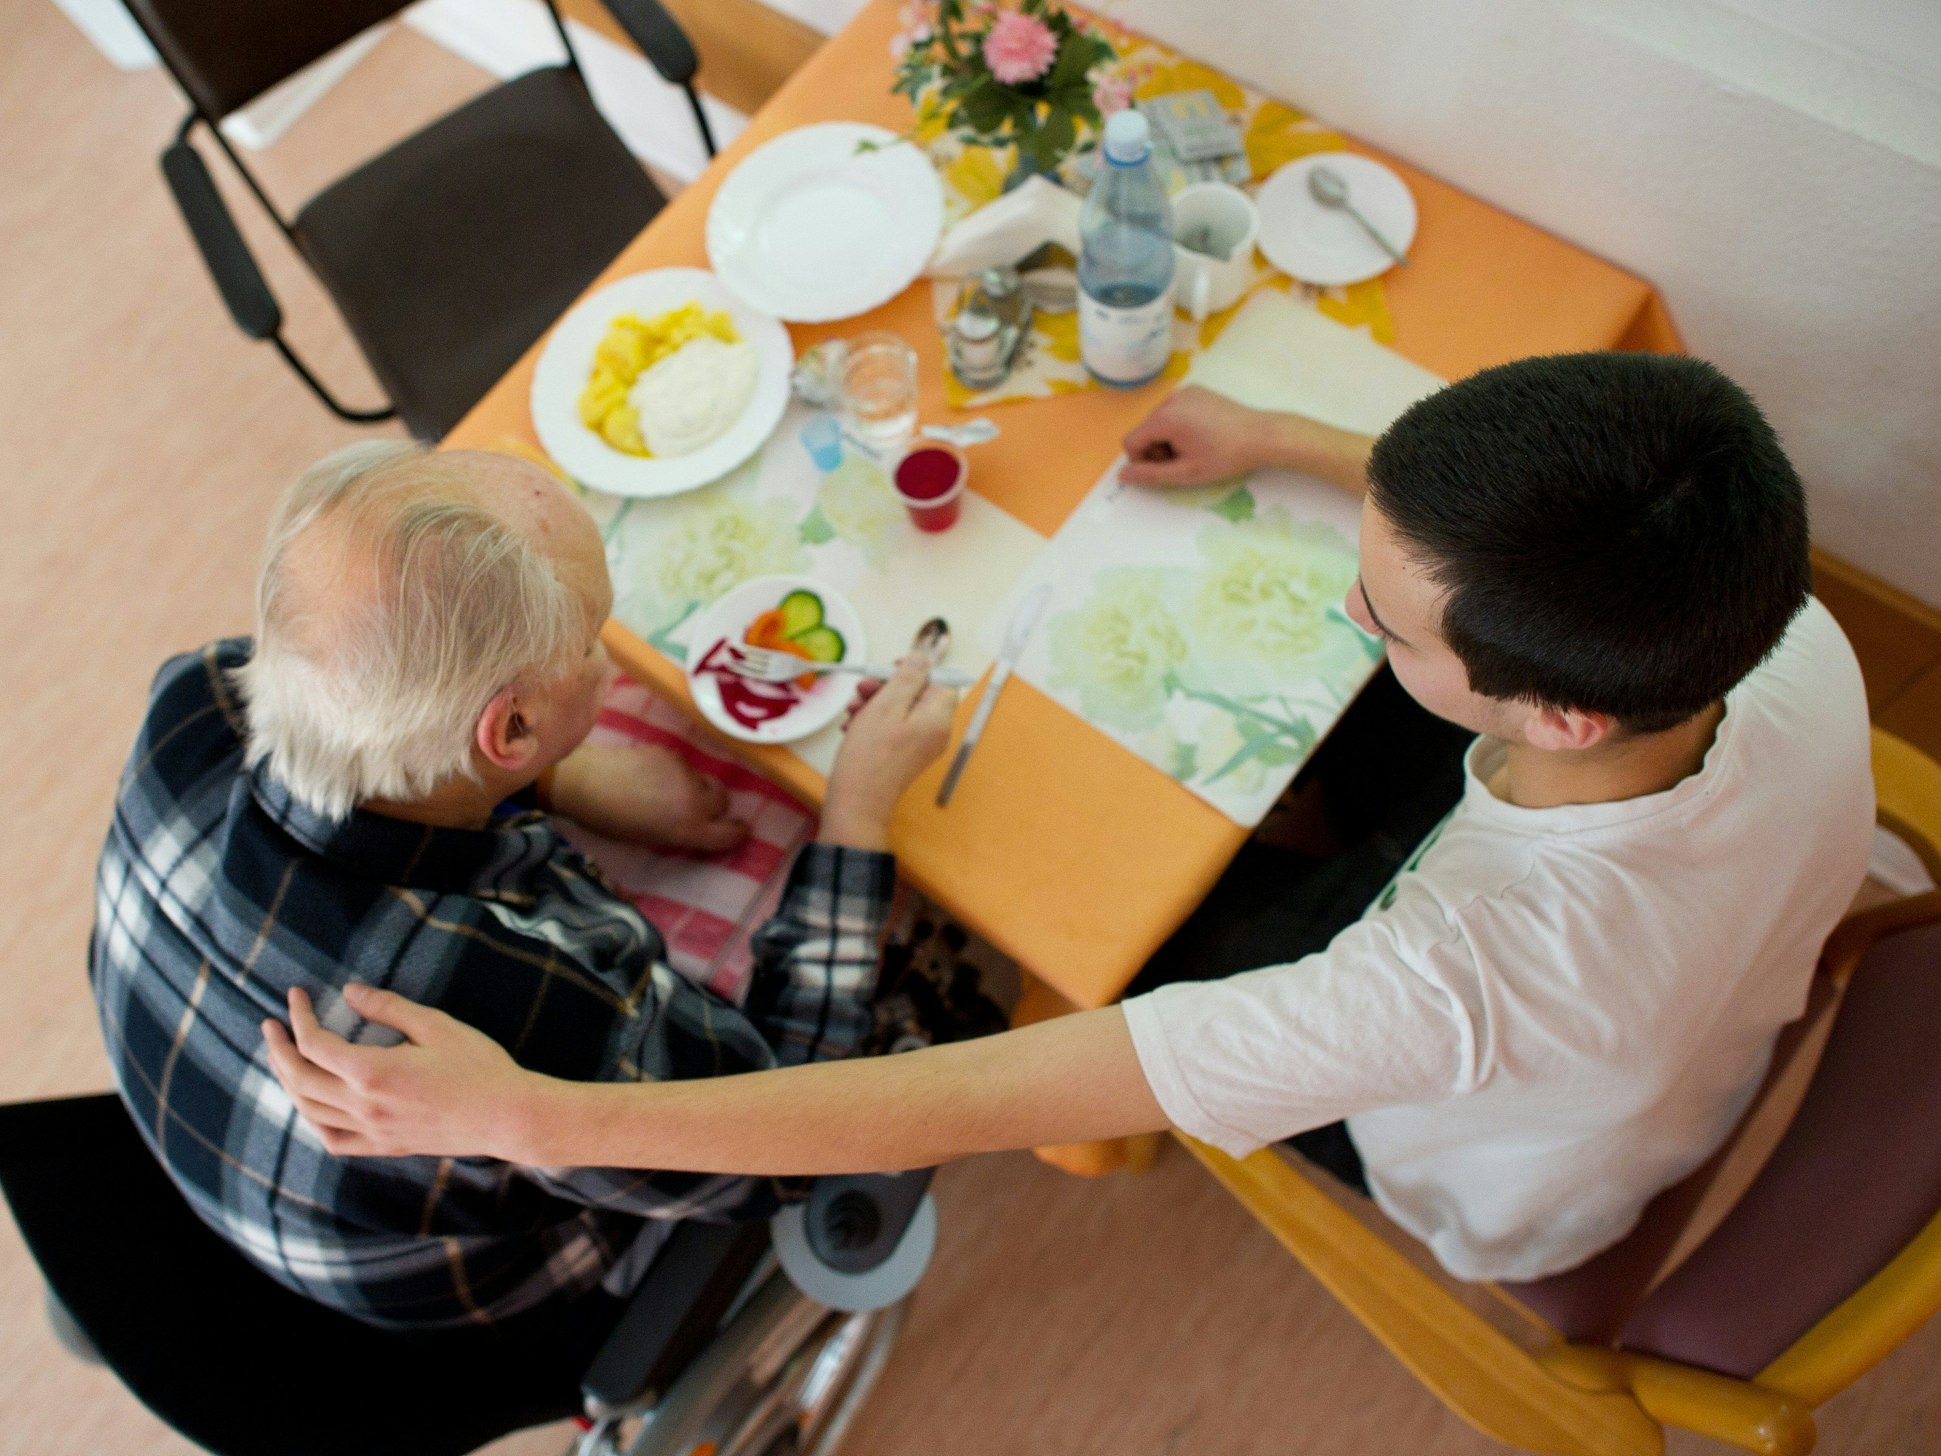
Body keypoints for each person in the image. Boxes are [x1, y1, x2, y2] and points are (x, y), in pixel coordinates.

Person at [263, 353, 1875, 1285]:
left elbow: (947, 1100)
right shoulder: (1776, 620)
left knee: (1139, 928)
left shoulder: (1441, 987)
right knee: (1323, 767)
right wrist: (1286, 443)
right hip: (1714, 959)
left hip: (1504, 1182)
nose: (1355, 612)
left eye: (1386, 618)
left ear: (1557, 711)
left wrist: (534, 1117)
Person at [91, 441, 956, 1332]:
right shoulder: (501, 997)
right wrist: (854, 811)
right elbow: (788, 1131)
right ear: (509, 728)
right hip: (443, 1282)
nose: (608, 660)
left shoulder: (193, 695)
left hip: (207, 1112)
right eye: (590, 640)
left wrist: (565, 780)